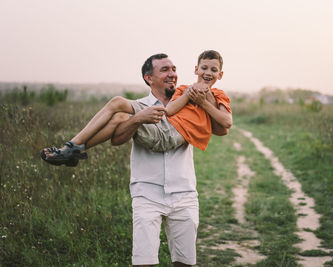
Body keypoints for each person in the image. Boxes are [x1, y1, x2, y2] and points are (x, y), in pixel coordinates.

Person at [110, 51, 231, 266]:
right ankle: (75, 146)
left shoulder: (192, 100)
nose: (172, 74)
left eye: (174, 69)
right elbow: (117, 139)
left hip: (183, 193)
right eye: (165, 70)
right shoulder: (137, 106)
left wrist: (205, 101)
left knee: (185, 262)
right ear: (149, 78)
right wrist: (137, 119)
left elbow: (223, 128)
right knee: (143, 261)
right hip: (146, 192)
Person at [40, 51, 231, 166]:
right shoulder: (183, 89)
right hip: (163, 127)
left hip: (170, 135)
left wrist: (204, 102)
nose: (208, 73)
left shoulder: (218, 96)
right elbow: (171, 110)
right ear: (196, 70)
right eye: (204, 68)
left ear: (220, 75)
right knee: (118, 116)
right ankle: (74, 151)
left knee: (117, 102)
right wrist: (190, 94)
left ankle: (71, 146)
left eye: (213, 70)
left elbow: (225, 124)